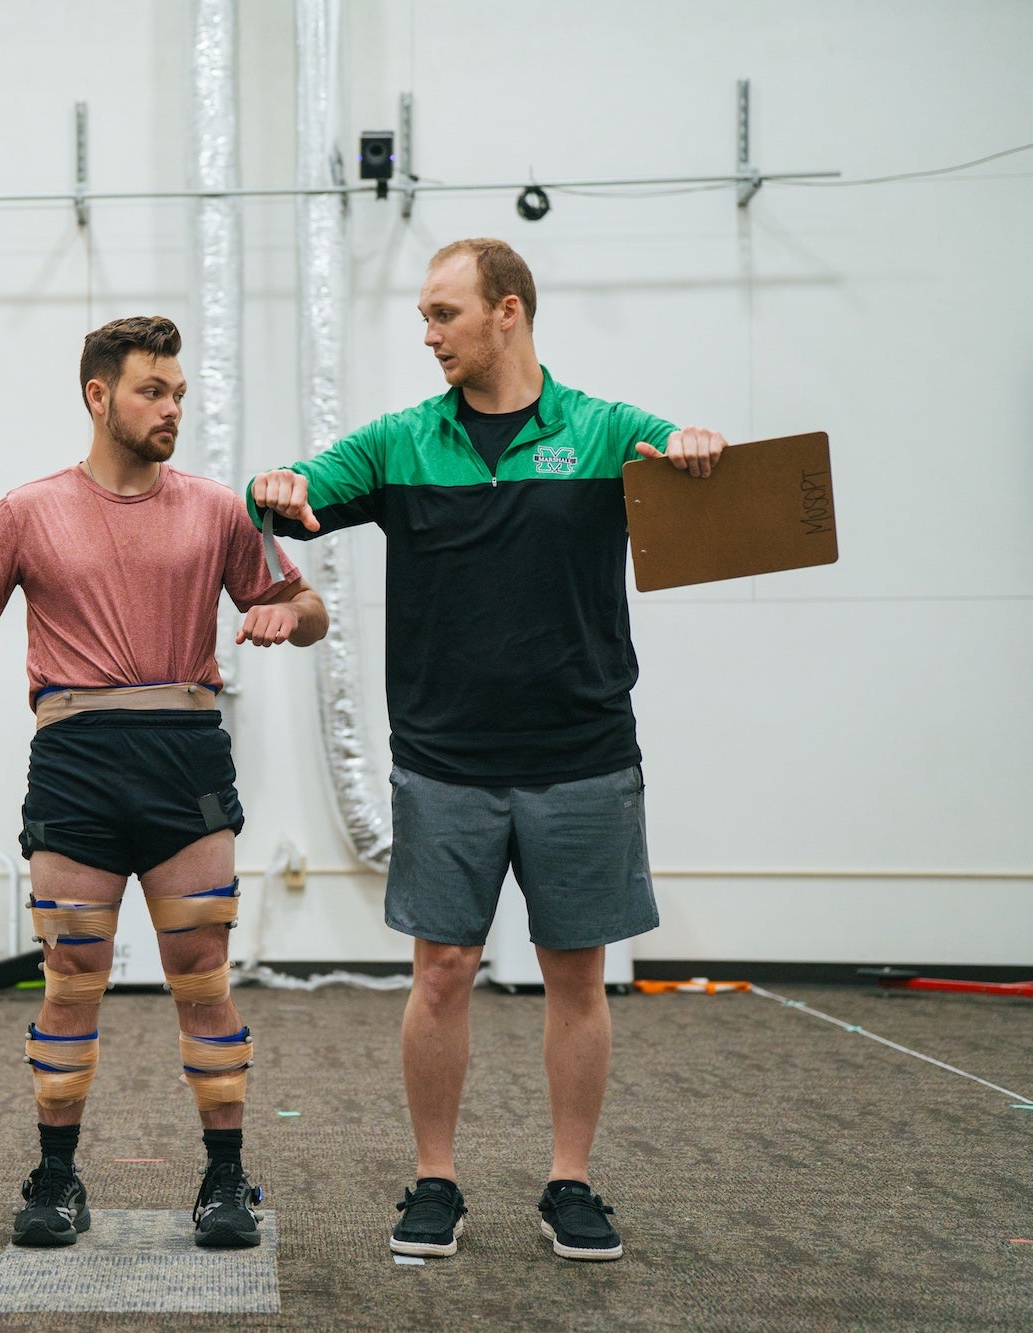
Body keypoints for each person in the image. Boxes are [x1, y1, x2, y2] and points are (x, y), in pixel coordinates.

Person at [246, 238, 727, 1263]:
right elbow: (297, 490)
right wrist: (278, 482)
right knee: (440, 973)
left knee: (573, 975)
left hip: (584, 755)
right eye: (424, 317)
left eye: (443, 315)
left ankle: (570, 1181)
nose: (427, 335)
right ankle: (433, 1180)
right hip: (443, 759)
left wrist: (692, 445)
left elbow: (688, 452)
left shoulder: (601, 430)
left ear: (506, 312)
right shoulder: (399, 443)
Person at [0, 315, 328, 1249]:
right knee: (71, 978)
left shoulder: (220, 508)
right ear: (99, 396)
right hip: (76, 764)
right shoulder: (30, 509)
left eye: (179, 392)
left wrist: (286, 621)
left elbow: (307, 607)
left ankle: (226, 1180)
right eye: (153, 390)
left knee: (203, 975)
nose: (172, 407)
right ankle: (56, 1177)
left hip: (183, 758)